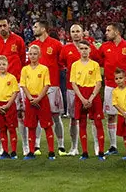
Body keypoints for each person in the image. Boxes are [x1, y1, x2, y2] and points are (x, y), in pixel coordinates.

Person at [59, 23, 100, 156]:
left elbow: (98, 61)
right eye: (73, 31)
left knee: (94, 119)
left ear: (82, 33)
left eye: (78, 31)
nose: (75, 34)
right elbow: (62, 63)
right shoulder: (66, 49)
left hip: (90, 89)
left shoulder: (91, 48)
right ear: (69, 34)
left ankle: (97, 146)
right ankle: (74, 146)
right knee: (74, 118)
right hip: (72, 89)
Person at [0, 16, 25, 155]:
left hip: (16, 82)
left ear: (9, 25)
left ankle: (24, 145)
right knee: (0, 118)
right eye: (0, 26)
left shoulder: (18, 40)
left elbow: (21, 59)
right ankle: (1, 146)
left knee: (20, 115)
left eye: (5, 25)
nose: (2, 28)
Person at [100, 22, 126, 155]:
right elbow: (98, 60)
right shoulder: (104, 47)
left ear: (117, 32)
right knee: (110, 116)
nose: (106, 32)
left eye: (108, 30)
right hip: (110, 85)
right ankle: (113, 146)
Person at [31, 20, 64, 155]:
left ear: (43, 29)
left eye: (36, 27)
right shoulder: (33, 46)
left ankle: (61, 145)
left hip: (53, 86)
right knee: (37, 117)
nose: (33, 29)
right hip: (36, 88)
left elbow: (62, 64)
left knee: (56, 117)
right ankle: (37, 145)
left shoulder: (56, 44)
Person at [68, 40, 105, 160]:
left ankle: (101, 152)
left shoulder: (94, 65)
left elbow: (98, 83)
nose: (84, 51)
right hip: (81, 95)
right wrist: (82, 99)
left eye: (86, 48)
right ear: (78, 50)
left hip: (93, 94)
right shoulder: (75, 65)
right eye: (81, 48)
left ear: (90, 50)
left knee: (98, 123)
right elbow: (73, 84)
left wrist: (90, 98)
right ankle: (84, 152)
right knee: (82, 123)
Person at [20, 45, 55, 160]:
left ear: (39, 55)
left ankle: (51, 152)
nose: (33, 56)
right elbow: (23, 85)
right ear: (28, 55)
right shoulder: (25, 69)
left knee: (47, 125)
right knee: (31, 126)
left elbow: (47, 84)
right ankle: (31, 151)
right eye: (31, 54)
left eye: (35, 54)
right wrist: (30, 98)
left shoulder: (44, 69)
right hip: (30, 99)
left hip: (42, 99)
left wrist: (39, 98)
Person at [0, 55, 19, 159]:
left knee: (12, 128)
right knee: (2, 129)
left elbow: (15, 92)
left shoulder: (12, 78)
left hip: (9, 105)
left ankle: (13, 151)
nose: (2, 66)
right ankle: (5, 151)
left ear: (8, 65)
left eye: (4, 64)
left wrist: (8, 104)